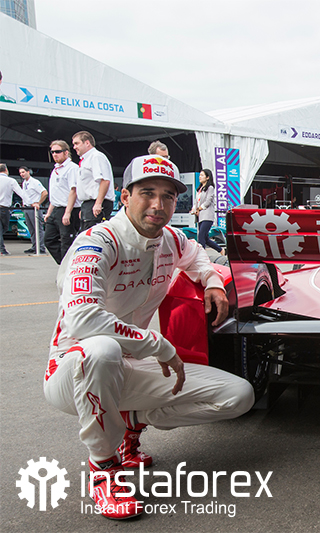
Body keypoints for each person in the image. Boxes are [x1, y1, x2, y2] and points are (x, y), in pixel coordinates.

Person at [43, 155, 255, 520]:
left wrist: (213, 282)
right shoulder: (96, 242)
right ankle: (104, 467)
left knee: (238, 396)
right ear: (125, 196)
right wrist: (158, 344)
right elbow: (83, 317)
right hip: (72, 370)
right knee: (101, 349)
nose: (158, 204)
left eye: (168, 196)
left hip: (131, 365)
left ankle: (132, 422)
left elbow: (198, 256)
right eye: (147, 193)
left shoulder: (171, 239)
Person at [44, 141, 80, 263]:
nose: (55, 154)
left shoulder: (72, 168)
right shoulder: (55, 169)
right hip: (56, 208)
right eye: (52, 152)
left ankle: (68, 267)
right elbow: (55, 194)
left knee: (66, 240)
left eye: (58, 151)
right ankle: (65, 264)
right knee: (49, 239)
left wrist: (67, 212)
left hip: (68, 208)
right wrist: (49, 212)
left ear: (66, 152)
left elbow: (73, 190)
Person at [73, 131, 115, 231]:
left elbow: (105, 180)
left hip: (97, 202)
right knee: (86, 234)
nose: (74, 147)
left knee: (92, 235)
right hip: (89, 203)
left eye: (77, 143)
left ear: (87, 143)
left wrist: (98, 203)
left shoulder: (96, 157)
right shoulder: (86, 159)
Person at [190, 168, 224, 255]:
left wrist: (199, 209)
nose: (200, 177)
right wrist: (194, 209)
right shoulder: (200, 189)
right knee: (205, 238)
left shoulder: (210, 188)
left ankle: (201, 255)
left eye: (202, 175)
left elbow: (208, 201)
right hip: (200, 217)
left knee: (201, 236)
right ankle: (220, 250)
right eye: (200, 175)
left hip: (207, 216)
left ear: (207, 177)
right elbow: (196, 202)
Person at [19, 166, 47, 254]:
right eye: (20, 173)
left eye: (23, 172)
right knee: (31, 229)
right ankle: (35, 246)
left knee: (37, 228)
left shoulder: (34, 182)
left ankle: (41, 247)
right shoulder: (24, 183)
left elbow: (44, 192)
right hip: (27, 207)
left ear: (28, 172)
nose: (22, 174)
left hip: (34, 208)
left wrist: (38, 203)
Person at [0, 163, 24, 256]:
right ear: (6, 170)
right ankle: (2, 249)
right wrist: (30, 202)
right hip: (4, 208)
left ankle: (2, 249)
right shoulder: (11, 181)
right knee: (4, 228)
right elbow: (21, 193)